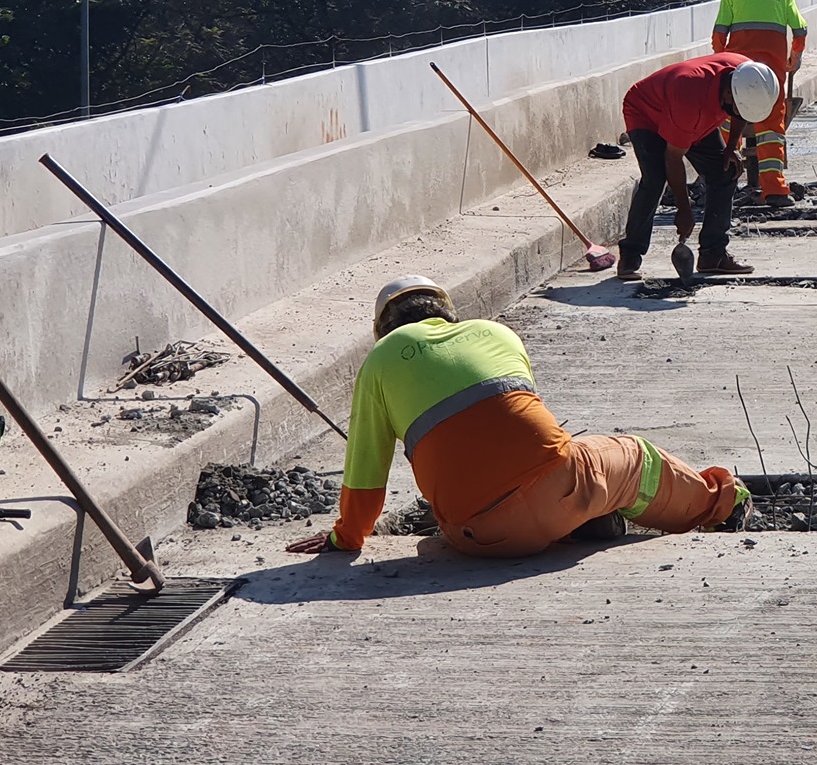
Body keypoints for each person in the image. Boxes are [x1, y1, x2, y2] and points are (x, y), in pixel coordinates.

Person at [285, 277, 749, 559]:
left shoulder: (379, 363)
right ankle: (723, 505)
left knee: (436, 540)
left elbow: (366, 475)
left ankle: (579, 520)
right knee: (633, 457)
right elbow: (525, 431)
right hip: (557, 489)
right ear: (447, 313)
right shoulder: (494, 334)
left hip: (473, 539)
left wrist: (345, 538)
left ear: (382, 329)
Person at [617, 52, 780, 279]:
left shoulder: (747, 75)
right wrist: (684, 209)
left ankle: (713, 254)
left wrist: (731, 147)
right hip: (647, 112)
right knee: (655, 179)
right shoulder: (689, 97)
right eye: (734, 107)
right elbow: (673, 158)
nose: (737, 112)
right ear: (727, 92)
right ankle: (630, 255)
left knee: (726, 171)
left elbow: (740, 112)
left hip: (695, 112)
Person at [712, 0, 807, 206]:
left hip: (735, 74)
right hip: (772, 78)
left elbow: (719, 35)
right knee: (771, 132)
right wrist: (794, 60)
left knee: (728, 126)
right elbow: (800, 32)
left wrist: (721, 65)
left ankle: (722, 187)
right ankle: (775, 190)